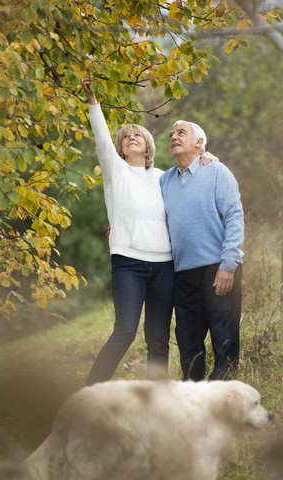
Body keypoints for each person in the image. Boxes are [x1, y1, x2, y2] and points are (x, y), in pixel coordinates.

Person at [82, 74, 216, 385]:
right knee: (125, 331)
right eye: (125, 137)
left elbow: (192, 176)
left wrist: (209, 156)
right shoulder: (115, 172)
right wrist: (93, 101)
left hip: (165, 266)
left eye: (137, 135)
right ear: (120, 147)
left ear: (147, 145)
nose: (130, 138)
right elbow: (101, 137)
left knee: (158, 339)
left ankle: (156, 399)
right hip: (128, 263)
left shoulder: (164, 177)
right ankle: (89, 392)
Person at [160, 120, 244, 381]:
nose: (174, 136)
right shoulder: (164, 180)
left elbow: (234, 216)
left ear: (199, 143)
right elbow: (145, 212)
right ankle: (193, 406)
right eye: (172, 133)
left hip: (217, 269)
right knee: (188, 347)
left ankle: (222, 404)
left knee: (224, 343)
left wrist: (228, 265)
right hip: (182, 275)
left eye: (181, 132)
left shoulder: (217, 171)